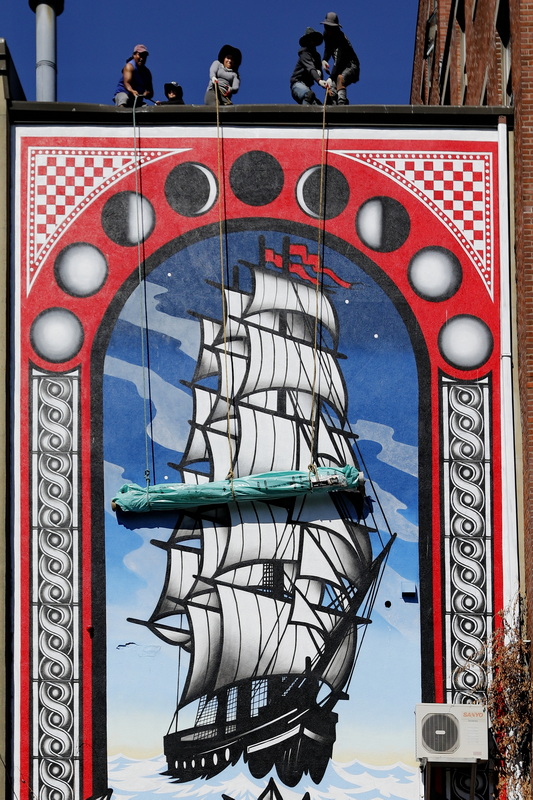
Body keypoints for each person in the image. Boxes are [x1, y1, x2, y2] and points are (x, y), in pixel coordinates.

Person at [321, 12, 360, 105]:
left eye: (330, 27)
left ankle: (342, 105)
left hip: (351, 66)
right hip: (339, 68)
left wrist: (330, 78)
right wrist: (324, 60)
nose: (327, 29)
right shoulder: (326, 34)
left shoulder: (340, 39)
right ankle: (332, 106)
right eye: (326, 27)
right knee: (331, 90)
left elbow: (337, 62)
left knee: (340, 79)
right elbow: (328, 48)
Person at [290, 27, 328, 105]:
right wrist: (319, 80)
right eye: (309, 39)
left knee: (318, 106)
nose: (312, 42)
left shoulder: (317, 56)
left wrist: (321, 73)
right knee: (308, 95)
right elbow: (310, 68)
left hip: (307, 87)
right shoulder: (304, 53)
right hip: (297, 84)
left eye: (313, 39)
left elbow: (318, 72)